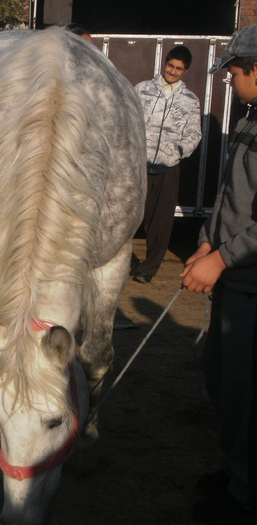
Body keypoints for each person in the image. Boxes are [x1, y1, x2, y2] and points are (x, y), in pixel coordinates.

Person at [180, 24, 257, 524]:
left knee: (248, 392)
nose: (228, 82)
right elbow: (231, 193)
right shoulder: (250, 119)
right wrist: (207, 238)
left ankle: (246, 497)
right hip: (234, 279)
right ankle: (238, 469)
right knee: (223, 380)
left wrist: (223, 258)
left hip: (251, 280)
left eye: (232, 72)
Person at [131, 45, 202, 284]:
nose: (172, 71)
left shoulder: (190, 100)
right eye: (170, 66)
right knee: (126, 214)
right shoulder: (142, 89)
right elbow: (128, 120)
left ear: (186, 70)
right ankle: (117, 261)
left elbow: (194, 133)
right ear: (165, 63)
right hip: (138, 164)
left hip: (168, 168)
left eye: (178, 69)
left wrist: (178, 152)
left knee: (160, 222)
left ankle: (147, 269)